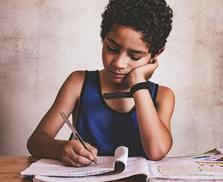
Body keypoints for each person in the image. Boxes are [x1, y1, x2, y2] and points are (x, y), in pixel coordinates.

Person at [27, 0, 175, 167]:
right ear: (103, 38)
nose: (119, 63)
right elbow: (36, 141)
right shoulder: (78, 82)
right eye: (112, 48)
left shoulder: (163, 96)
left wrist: (139, 84)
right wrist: (61, 148)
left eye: (134, 56)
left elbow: (156, 151)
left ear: (155, 55)